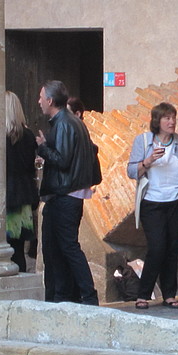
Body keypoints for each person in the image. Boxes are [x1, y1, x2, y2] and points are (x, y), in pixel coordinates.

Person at [36, 80, 101, 305]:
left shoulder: (64, 123)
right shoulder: (73, 122)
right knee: (57, 248)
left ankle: (88, 296)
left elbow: (62, 160)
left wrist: (43, 147)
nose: (39, 102)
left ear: (51, 100)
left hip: (64, 195)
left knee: (68, 247)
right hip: (66, 195)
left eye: (41, 97)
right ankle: (62, 296)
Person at [127, 102, 178, 309]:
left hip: (177, 202)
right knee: (157, 247)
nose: (172, 121)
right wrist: (148, 161)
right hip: (152, 203)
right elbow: (131, 171)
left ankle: (169, 294)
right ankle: (143, 294)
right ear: (157, 121)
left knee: (171, 248)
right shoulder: (144, 141)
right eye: (167, 118)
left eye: (174, 117)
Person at [5, 91, 39, 272]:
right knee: (19, 249)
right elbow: (29, 167)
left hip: (4, 198)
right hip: (23, 197)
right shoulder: (28, 135)